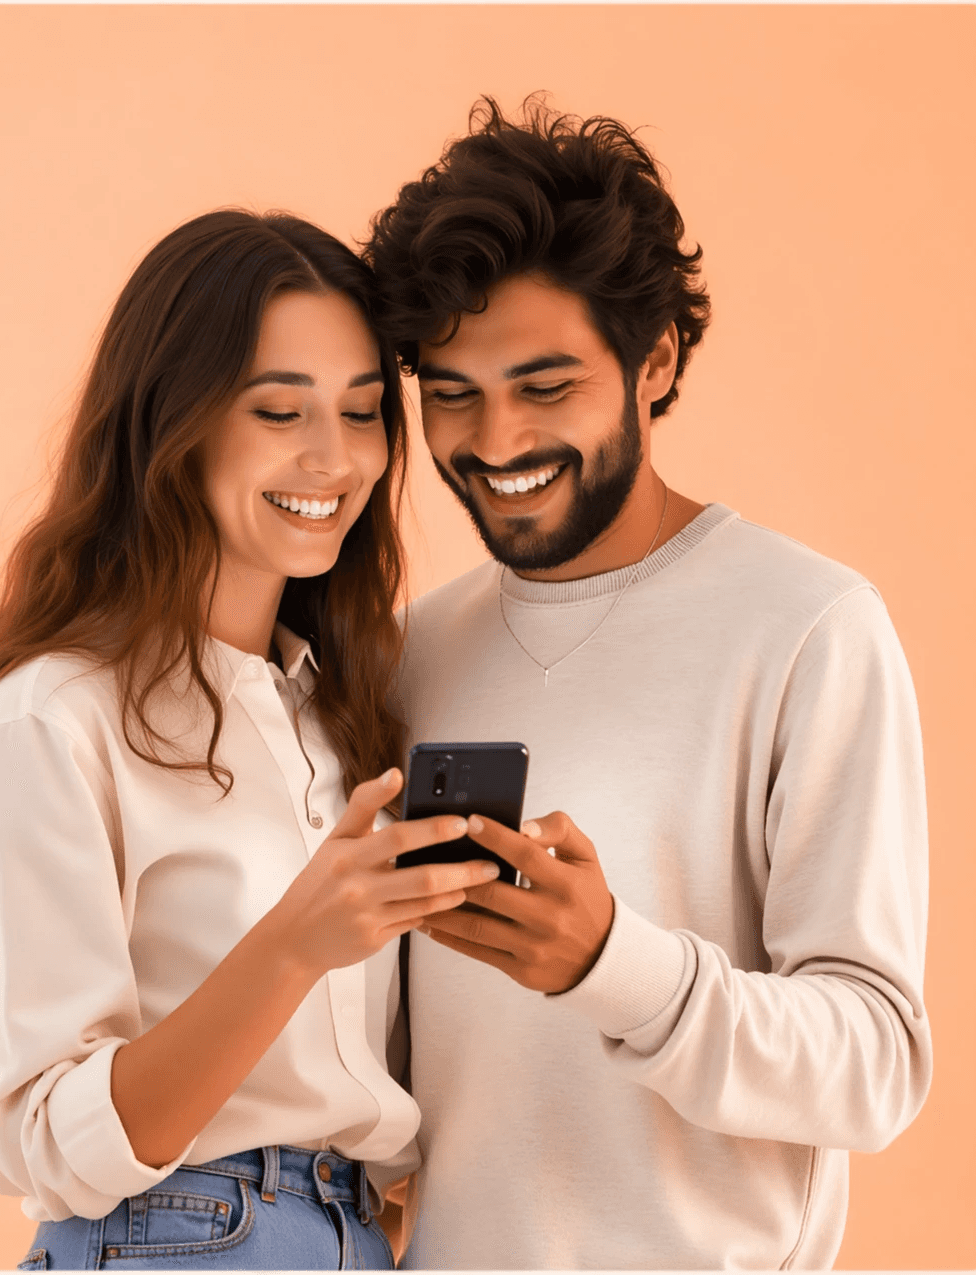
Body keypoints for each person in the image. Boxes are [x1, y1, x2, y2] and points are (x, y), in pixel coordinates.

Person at [363, 97, 933, 1269]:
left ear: (654, 359)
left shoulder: (809, 627)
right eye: (452, 391)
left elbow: (877, 1064)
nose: (495, 439)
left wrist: (613, 964)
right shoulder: (408, 651)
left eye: (546, 383)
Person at [0, 209, 502, 1270]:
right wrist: (293, 944)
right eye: (278, 411)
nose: (333, 457)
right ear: (178, 421)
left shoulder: (335, 713)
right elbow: (47, 1136)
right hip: (181, 1236)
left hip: (351, 1238)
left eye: (361, 413)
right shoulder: (58, 717)